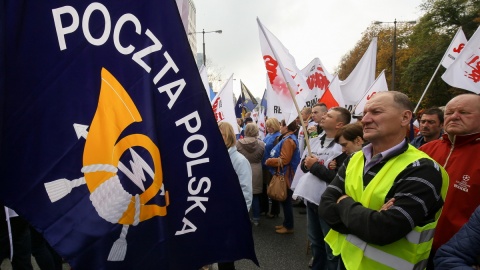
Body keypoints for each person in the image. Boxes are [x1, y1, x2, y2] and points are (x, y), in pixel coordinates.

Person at [319, 91, 449, 270]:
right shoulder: (354, 159)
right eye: (365, 113)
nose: (365, 119)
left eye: (376, 112)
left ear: (405, 118)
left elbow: (383, 230)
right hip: (348, 262)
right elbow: (326, 206)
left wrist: (343, 201)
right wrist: (369, 218)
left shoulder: (423, 168)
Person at [419, 94, 480, 266]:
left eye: (464, 112)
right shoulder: (425, 150)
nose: (454, 116)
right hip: (411, 248)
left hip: (459, 257)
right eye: (450, 112)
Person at [294, 107, 351, 270]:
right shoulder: (316, 139)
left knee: (330, 247)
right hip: (312, 199)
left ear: (339, 124)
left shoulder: (344, 147)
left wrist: (315, 166)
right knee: (316, 243)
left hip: (330, 204)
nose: (323, 116)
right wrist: (307, 164)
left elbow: (339, 180)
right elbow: (304, 166)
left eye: (329, 115)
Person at [216, 122, 253, 270]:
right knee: (219, 253)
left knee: (226, 259)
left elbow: (246, 192)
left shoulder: (240, 161)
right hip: (216, 215)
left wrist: (238, 217)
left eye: (221, 135)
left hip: (230, 217)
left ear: (229, 137)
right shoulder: (216, 157)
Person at [265, 119, 300, 234]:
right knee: (285, 201)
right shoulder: (288, 138)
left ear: (286, 127)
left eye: (281, 124)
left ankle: (289, 226)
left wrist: (270, 161)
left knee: (286, 201)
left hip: (286, 174)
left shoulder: (289, 140)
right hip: (286, 173)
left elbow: (284, 160)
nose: (280, 127)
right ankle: (286, 224)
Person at [237, 123, 265, 226]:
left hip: (243, 169)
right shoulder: (261, 144)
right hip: (256, 169)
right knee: (255, 195)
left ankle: (244, 217)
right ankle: (256, 218)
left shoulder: (238, 144)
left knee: (243, 194)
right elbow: (262, 156)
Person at [262, 117, 282, 218]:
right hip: (264, 165)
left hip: (271, 167)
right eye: (267, 126)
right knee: (266, 188)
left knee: (273, 189)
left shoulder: (278, 137)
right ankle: (265, 209)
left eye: (270, 126)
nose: (268, 128)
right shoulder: (268, 135)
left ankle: (274, 211)